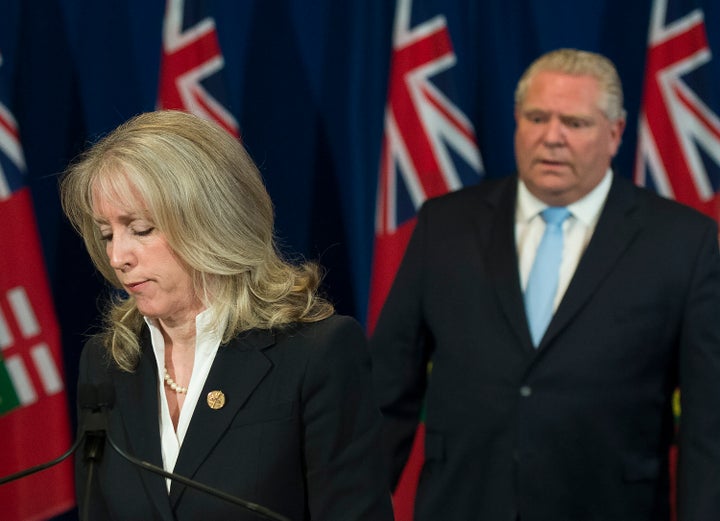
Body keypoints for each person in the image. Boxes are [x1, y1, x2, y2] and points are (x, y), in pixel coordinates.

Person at [370, 48, 720, 521]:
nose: (552, 138)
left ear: (615, 133)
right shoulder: (445, 225)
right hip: (464, 504)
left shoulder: (681, 241)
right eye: (537, 118)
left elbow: (707, 424)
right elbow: (388, 392)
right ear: (518, 122)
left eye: (574, 124)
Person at [60, 110, 394, 521]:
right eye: (108, 234)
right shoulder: (108, 362)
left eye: (141, 229)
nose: (117, 257)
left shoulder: (315, 354)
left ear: (211, 220)